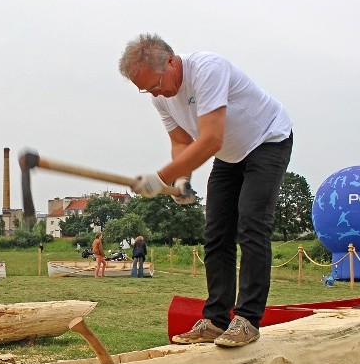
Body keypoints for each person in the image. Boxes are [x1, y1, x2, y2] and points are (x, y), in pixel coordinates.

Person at [119, 33, 292, 347]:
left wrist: (159, 179)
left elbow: (209, 139)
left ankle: (248, 320)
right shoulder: (161, 97)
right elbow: (182, 143)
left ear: (170, 62)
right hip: (229, 153)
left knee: (251, 225)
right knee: (216, 233)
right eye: (146, 90)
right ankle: (216, 321)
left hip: (267, 140)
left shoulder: (208, 70)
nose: (155, 93)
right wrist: (181, 180)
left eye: (155, 84)